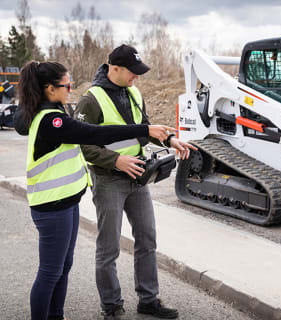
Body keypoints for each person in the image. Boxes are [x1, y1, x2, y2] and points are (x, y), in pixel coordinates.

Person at [14, 61, 176, 320]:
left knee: (63, 267)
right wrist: (144, 130)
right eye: (67, 85)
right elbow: (95, 134)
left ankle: (56, 316)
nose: (71, 89)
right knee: (50, 272)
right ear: (49, 89)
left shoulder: (54, 109)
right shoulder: (51, 120)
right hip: (51, 206)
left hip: (66, 202)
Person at [74, 44, 196, 319]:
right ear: (114, 68)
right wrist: (116, 161)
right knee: (109, 247)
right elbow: (84, 145)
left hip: (138, 178)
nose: (136, 78)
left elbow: (145, 128)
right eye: (133, 72)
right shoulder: (90, 100)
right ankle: (112, 306)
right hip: (109, 180)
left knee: (147, 239)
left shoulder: (134, 92)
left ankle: (148, 300)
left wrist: (170, 140)